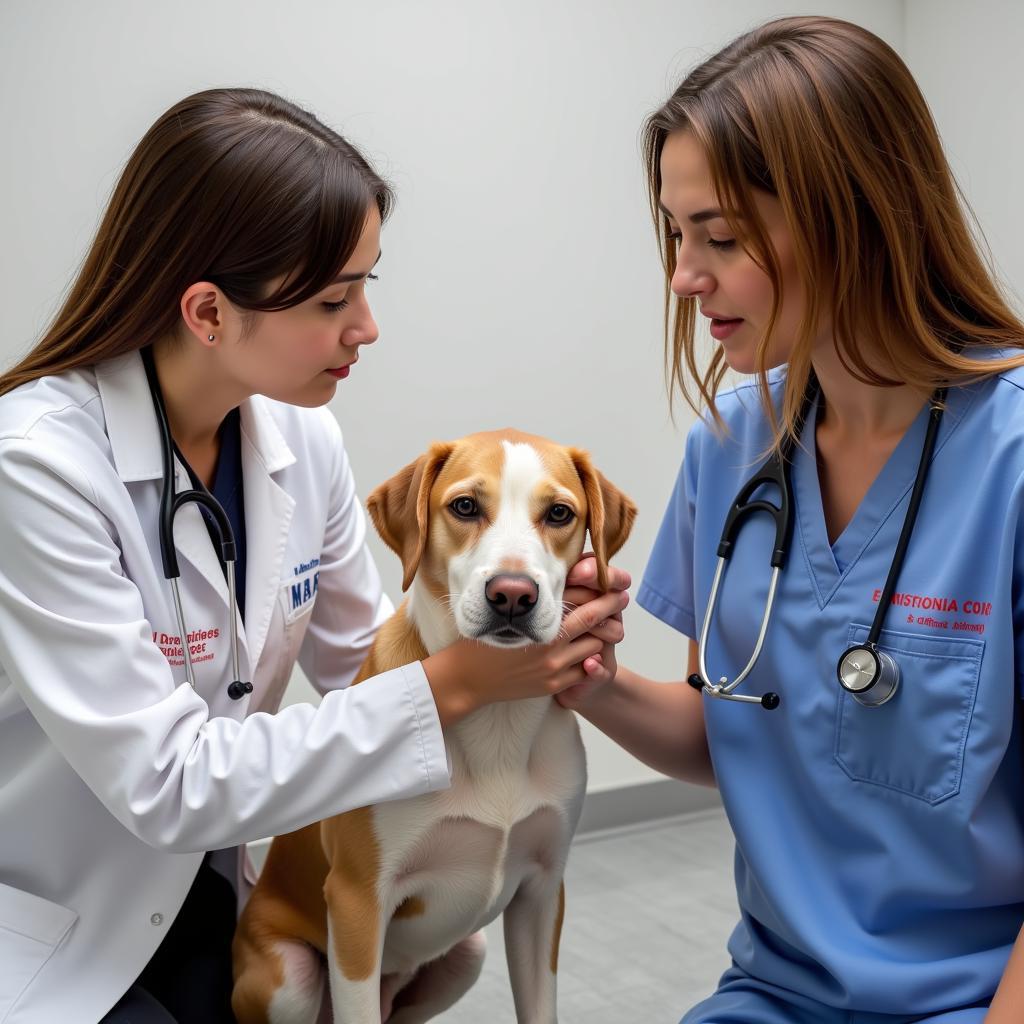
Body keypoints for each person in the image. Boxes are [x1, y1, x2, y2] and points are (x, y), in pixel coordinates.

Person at [0, 88, 629, 1024]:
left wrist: (523, 631)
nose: (366, 326)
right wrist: (459, 681)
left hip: (205, 896)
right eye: (336, 297)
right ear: (208, 312)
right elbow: (170, 785)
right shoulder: (37, 467)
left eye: (369, 285)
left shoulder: (302, 441)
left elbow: (355, 673)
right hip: (56, 921)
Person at [555, 16, 1024, 1023]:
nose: (684, 276)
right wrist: (586, 681)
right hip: (777, 993)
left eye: (718, 237)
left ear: (856, 216)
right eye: (678, 234)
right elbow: (719, 732)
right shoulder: (729, 448)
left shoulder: (1012, 463)